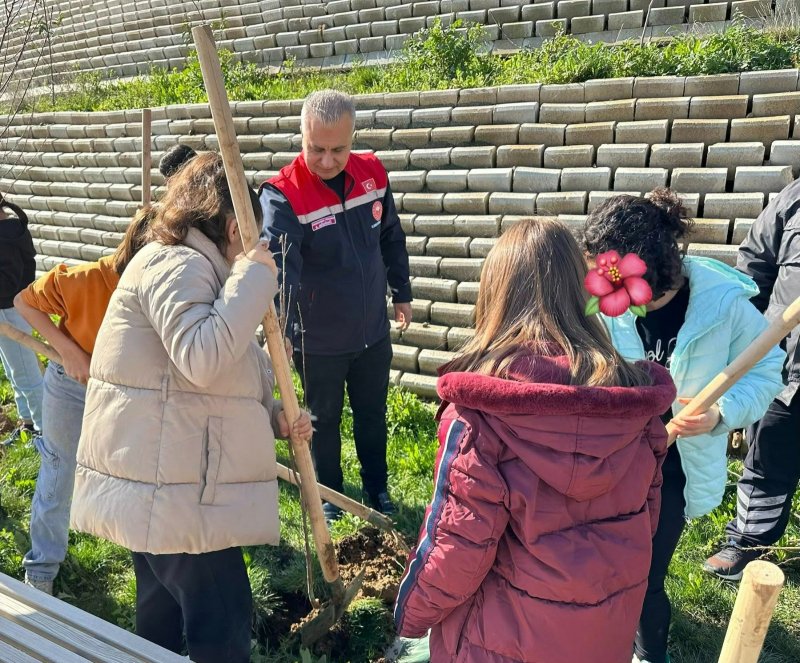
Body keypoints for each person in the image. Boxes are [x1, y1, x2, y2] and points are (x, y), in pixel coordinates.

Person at [394, 218, 677, 663]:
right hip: (603, 634)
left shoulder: (480, 416)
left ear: (496, 295)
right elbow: (648, 519)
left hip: (500, 644)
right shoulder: (635, 405)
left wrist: (408, 616)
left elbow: (455, 550)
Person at [70, 152, 312, 663]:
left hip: (169, 486)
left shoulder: (192, 267)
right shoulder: (176, 265)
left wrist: (273, 415)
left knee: (158, 625)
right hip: (174, 495)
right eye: (251, 236)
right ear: (233, 228)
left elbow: (210, 379)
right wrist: (253, 279)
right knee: (222, 622)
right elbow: (201, 357)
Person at [582, 189, 785, 663]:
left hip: (673, 466)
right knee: (599, 562)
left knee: (646, 574)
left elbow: (766, 371)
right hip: (610, 459)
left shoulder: (723, 306)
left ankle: (648, 653)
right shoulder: (605, 303)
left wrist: (721, 414)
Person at [260, 89, 412, 522]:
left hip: (371, 330)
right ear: (301, 137)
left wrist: (401, 292)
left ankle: (377, 488)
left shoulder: (372, 173)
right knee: (322, 420)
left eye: (338, 150)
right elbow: (282, 271)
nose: (327, 161)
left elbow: (391, 236)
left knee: (372, 414)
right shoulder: (283, 194)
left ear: (353, 139)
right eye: (316, 149)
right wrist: (283, 331)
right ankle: (330, 495)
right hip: (319, 339)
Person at [14, 206, 153, 594]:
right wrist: (68, 351)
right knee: (59, 468)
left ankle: (153, 570)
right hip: (72, 386)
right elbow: (24, 302)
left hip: (128, 389)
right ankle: (41, 573)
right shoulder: (87, 278)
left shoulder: (163, 292)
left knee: (136, 475)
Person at [704, 177, 800, 580]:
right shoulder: (794, 198)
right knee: (767, 456)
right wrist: (742, 335)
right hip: (788, 367)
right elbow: (754, 269)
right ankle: (748, 542)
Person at [0, 194, 43, 445]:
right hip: (8, 309)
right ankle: (27, 423)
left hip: (11, 311)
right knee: (15, 371)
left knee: (27, 375)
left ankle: (45, 432)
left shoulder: (6, 237)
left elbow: (7, 283)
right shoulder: (9, 230)